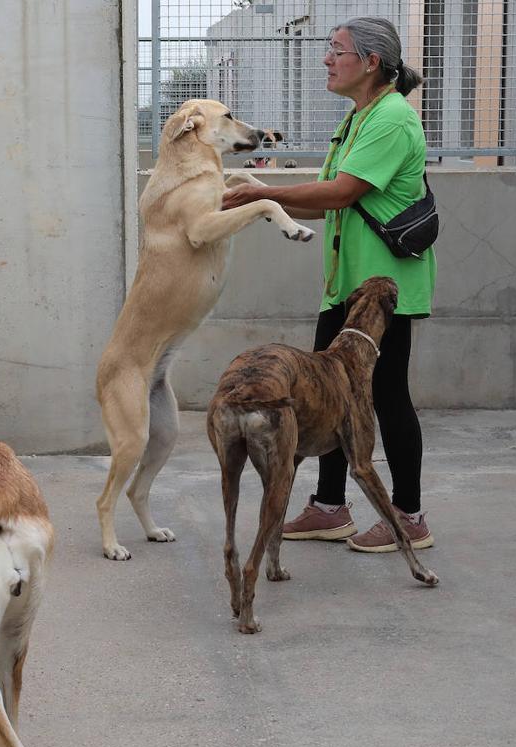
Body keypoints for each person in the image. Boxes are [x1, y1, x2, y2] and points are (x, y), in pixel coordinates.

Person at [221, 17, 436, 553]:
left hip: (381, 295)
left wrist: (259, 193)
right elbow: (331, 200)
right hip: (346, 287)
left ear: (370, 63)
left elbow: (340, 193)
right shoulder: (358, 118)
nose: (325, 59)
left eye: (336, 50)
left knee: (385, 396)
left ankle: (409, 515)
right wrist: (262, 200)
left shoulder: (390, 119)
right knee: (330, 392)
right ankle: (329, 507)